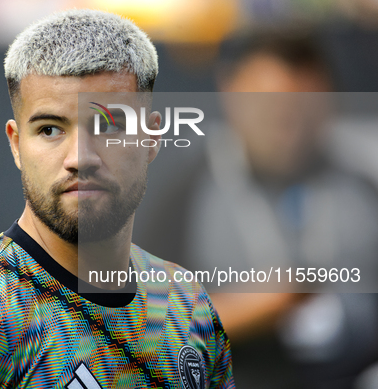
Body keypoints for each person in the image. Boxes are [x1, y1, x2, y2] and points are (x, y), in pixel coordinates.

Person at [0, 9, 233, 389]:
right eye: (49, 129)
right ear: (15, 144)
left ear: (152, 139)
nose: (80, 158)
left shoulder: (185, 301)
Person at [135, 31, 378, 389]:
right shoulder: (187, 195)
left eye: (303, 106)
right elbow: (136, 333)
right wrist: (242, 310)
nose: (287, 126)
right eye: (269, 106)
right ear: (232, 94)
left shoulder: (360, 189)